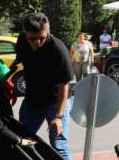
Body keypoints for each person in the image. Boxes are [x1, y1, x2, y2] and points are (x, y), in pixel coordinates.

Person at [14, 12, 75, 160]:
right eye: (32, 39)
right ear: (25, 34)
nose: (37, 42)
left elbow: (64, 86)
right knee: (23, 139)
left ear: (48, 31)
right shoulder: (22, 41)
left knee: (58, 143)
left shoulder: (58, 50)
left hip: (56, 101)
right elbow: (17, 63)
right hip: (32, 100)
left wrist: (58, 117)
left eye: (42, 37)